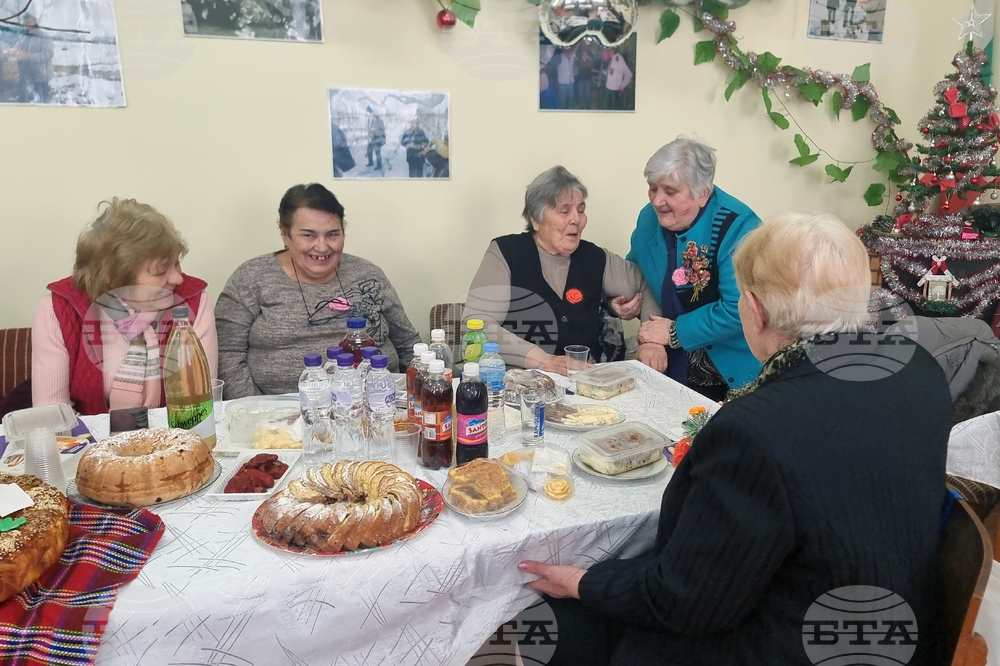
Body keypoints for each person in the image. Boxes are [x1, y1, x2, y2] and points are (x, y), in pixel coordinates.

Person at [518, 213, 952, 665]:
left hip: (795, 644)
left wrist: (583, 581)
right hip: (902, 627)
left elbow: (686, 600)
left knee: (557, 622)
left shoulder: (756, 429)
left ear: (755, 310)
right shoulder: (917, 368)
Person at [215, 184, 421, 397]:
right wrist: (257, 411)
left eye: (333, 234)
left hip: (379, 403)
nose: (322, 247)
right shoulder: (250, 278)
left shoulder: (368, 274)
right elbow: (227, 356)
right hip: (281, 411)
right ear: (285, 233)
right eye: (308, 235)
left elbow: (408, 344)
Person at [463, 166, 659, 374]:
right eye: (564, 211)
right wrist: (541, 359)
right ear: (536, 220)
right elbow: (477, 324)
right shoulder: (506, 253)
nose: (576, 219)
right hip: (519, 381)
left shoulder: (596, 258)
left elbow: (646, 285)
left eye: (581, 210)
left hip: (584, 381)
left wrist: (651, 342)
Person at [32, 199, 218, 416]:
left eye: (176, 263)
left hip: (177, 431)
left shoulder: (194, 300)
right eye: (160, 271)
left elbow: (201, 401)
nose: (177, 279)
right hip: (88, 435)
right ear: (112, 276)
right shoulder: (58, 310)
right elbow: (52, 415)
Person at [626, 137, 762, 401]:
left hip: (730, 368)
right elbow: (635, 271)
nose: (657, 200)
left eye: (670, 191)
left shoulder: (738, 227)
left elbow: (739, 307)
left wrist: (674, 332)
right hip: (669, 361)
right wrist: (622, 303)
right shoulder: (648, 219)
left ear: (703, 194)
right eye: (653, 188)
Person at [5, 14, 54, 104]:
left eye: (31, 21)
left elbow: (48, 54)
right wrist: (12, 52)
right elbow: (18, 48)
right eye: (26, 22)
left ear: (36, 22)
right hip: (25, 74)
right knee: (24, 98)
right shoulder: (23, 36)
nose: (29, 24)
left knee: (41, 100)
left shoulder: (44, 36)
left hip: (40, 75)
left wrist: (29, 56)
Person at [365, 107, 386, 171]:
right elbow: (369, 129)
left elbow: (381, 128)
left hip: (379, 137)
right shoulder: (369, 120)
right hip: (373, 138)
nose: (367, 115)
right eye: (366, 114)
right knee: (369, 150)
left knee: (377, 151)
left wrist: (374, 130)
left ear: (371, 113)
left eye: (368, 113)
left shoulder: (377, 119)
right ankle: (371, 162)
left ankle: (379, 166)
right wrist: (369, 134)